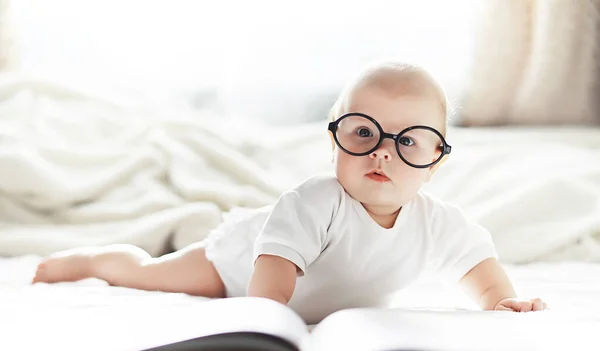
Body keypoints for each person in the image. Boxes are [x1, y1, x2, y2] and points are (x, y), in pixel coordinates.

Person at [32, 61, 546, 323]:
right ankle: (94, 261)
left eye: (408, 141)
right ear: (333, 139)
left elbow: (480, 270)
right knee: (151, 276)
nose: (382, 152)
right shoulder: (316, 201)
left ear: (435, 161)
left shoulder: (438, 222)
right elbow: (272, 280)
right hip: (237, 265)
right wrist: (266, 322)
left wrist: (503, 305)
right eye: (364, 132)